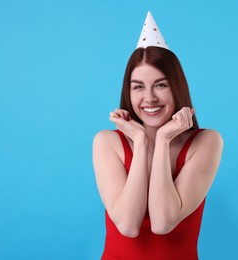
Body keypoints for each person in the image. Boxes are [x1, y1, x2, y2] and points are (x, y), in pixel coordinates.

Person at [93, 11, 223, 260]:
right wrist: (141, 142)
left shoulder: (206, 142)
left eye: (161, 85)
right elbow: (128, 227)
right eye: (139, 86)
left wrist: (162, 140)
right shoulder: (107, 142)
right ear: (128, 91)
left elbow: (163, 223)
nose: (150, 98)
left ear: (177, 86)